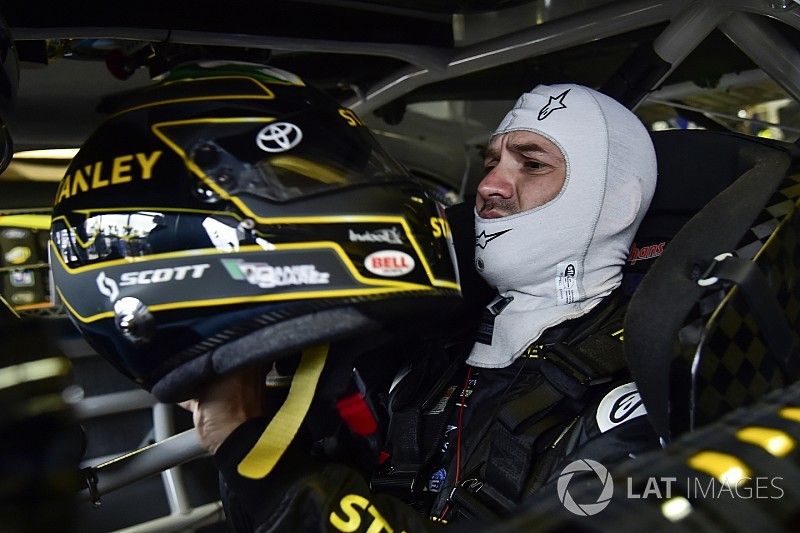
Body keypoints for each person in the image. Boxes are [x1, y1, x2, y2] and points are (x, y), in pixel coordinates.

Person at [182, 83, 661, 530]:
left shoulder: (646, 386)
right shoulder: (434, 349)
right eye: (491, 162)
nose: (490, 185)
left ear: (617, 201)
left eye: (531, 164)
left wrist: (244, 445)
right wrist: (260, 409)